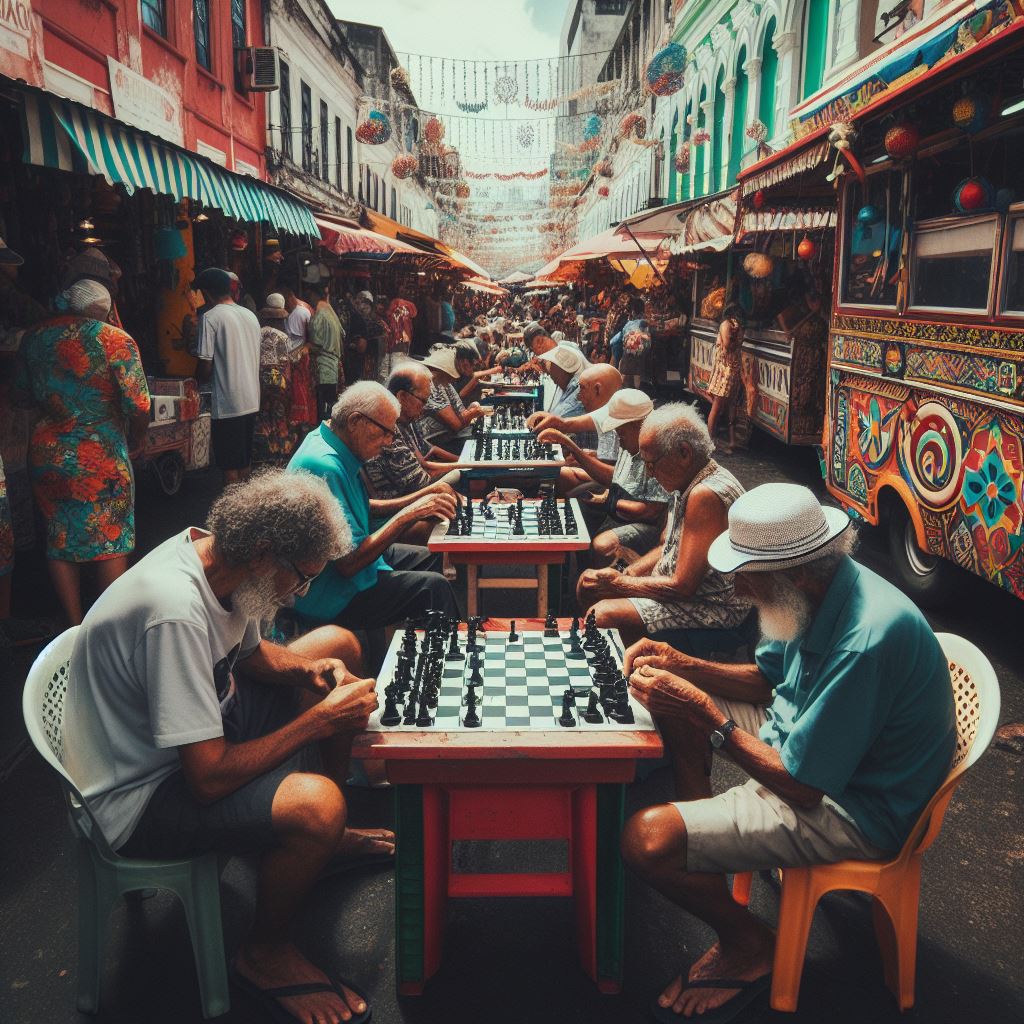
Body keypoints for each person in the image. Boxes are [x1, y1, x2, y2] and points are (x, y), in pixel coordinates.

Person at [620, 483, 956, 1021]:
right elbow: (766, 679)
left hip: (856, 807)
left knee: (646, 839)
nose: (734, 585)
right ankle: (708, 848)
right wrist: (680, 661)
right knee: (674, 703)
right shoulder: (817, 588)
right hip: (809, 748)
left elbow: (803, 785)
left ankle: (751, 942)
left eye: (745, 573)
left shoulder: (865, 639)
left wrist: (711, 715)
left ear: (795, 573)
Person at [63, 470, 385, 1024]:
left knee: (339, 644)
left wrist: (312, 671)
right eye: (302, 578)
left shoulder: (218, 558)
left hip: (202, 727)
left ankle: (322, 844)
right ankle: (265, 953)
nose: (302, 592)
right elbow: (207, 778)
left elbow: (252, 655)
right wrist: (319, 723)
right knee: (318, 805)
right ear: (265, 553)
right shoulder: (175, 612)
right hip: (141, 794)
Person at [287, 382, 458, 660]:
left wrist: (417, 500)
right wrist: (409, 514)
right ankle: (441, 668)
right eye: (385, 432)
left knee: (431, 557)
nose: (389, 442)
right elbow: (348, 564)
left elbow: (362, 506)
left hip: (351, 564)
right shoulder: (324, 465)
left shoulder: (326, 439)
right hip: (331, 592)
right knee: (433, 588)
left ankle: (405, 655)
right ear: (356, 421)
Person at [14, 279, 150, 626]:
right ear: (105, 309)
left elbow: (21, 395)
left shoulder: (33, 338)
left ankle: (73, 626)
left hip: (48, 453)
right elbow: (138, 405)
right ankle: (111, 626)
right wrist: (138, 438)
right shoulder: (115, 340)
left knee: (59, 535)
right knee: (109, 534)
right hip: (99, 452)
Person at [577, 403, 750, 646]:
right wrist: (630, 573)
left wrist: (621, 584)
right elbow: (665, 548)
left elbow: (683, 587)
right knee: (589, 583)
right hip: (689, 593)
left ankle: (629, 675)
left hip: (713, 607)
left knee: (602, 615)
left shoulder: (705, 495)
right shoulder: (688, 482)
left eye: (651, 463)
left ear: (684, 453)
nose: (648, 474)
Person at [539, 389, 669, 567]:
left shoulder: (658, 451)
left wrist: (610, 501)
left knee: (603, 544)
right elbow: (616, 477)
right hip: (621, 509)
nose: (619, 439)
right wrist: (574, 449)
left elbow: (650, 511)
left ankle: (597, 581)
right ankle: (575, 574)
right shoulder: (631, 441)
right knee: (574, 508)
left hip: (648, 526)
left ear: (637, 425)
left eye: (621, 433)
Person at [194, 267, 262, 485]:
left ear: (207, 292)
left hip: (227, 404)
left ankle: (233, 514)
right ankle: (246, 511)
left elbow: (205, 365)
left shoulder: (210, 317)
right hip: (251, 399)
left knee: (229, 466)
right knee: (243, 461)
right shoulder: (250, 315)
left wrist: (193, 383)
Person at [363, 363, 461, 509]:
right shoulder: (389, 430)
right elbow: (421, 485)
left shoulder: (402, 422)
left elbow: (423, 466)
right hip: (396, 510)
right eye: (423, 401)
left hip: (410, 499)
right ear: (402, 396)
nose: (425, 408)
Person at [527, 362, 623, 470]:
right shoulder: (610, 413)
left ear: (597, 390)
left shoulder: (614, 423)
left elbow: (610, 476)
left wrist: (575, 453)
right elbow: (605, 457)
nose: (578, 397)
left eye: (582, 389)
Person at [418, 347, 488, 455]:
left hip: (448, 436)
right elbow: (456, 425)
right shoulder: (430, 384)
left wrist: (470, 412)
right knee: (480, 448)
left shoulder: (445, 383)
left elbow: (462, 413)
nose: (455, 378)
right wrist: (472, 413)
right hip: (434, 440)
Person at [253, 294, 293, 465]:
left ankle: (264, 451)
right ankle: (280, 452)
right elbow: (286, 363)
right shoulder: (283, 337)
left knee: (263, 414)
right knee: (279, 416)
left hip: (260, 380)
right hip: (279, 382)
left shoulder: (257, 333)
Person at [707, 304, 745, 453]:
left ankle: (732, 440)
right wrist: (735, 335)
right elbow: (728, 345)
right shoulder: (725, 325)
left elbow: (737, 343)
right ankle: (709, 441)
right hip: (724, 371)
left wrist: (738, 333)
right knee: (717, 406)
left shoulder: (737, 327)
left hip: (733, 371)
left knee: (731, 406)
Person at [306, 282, 344, 420]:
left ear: (313, 294)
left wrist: (302, 350)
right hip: (332, 370)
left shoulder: (320, 315)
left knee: (323, 414)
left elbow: (316, 344)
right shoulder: (331, 312)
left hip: (323, 370)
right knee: (330, 411)